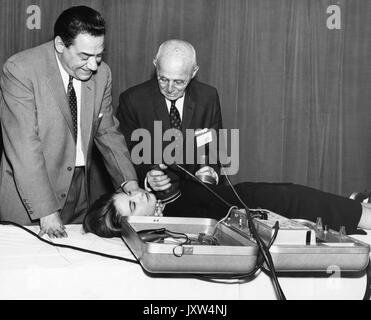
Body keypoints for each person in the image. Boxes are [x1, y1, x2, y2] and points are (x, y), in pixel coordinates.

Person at [0, 6, 144, 238]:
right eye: (85, 56)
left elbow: (107, 132)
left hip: (78, 191)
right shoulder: (21, 70)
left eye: (99, 55)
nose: (94, 65)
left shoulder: (102, 74)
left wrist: (129, 183)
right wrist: (45, 211)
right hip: (31, 197)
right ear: (60, 45)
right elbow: (24, 146)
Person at [83, 171, 371, 238]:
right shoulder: (175, 221)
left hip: (272, 197)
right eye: (133, 206)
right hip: (277, 210)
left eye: (130, 195)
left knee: (355, 214)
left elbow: (186, 184)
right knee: (356, 217)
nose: (138, 195)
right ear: (135, 224)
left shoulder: (167, 195)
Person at [116, 39, 223, 201]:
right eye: (163, 79)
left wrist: (211, 171)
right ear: (155, 65)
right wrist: (147, 177)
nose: (170, 89)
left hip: (199, 195)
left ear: (194, 72)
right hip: (154, 199)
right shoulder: (132, 100)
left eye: (179, 82)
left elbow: (215, 147)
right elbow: (123, 155)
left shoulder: (208, 97)